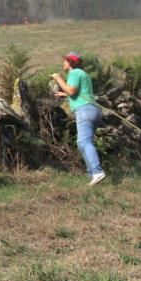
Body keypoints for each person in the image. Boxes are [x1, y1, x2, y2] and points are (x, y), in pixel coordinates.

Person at [52, 51, 107, 186]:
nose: (63, 63)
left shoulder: (74, 73)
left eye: (65, 60)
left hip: (84, 111)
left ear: (70, 62)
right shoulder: (83, 74)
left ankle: (97, 172)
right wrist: (63, 94)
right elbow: (79, 93)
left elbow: (72, 91)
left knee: (84, 142)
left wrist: (58, 78)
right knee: (82, 142)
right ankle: (92, 173)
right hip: (92, 111)